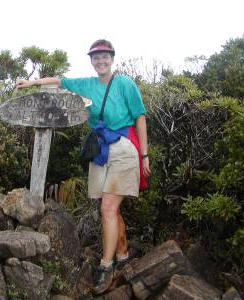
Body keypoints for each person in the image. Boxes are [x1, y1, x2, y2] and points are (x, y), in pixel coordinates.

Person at [16, 39, 151, 294]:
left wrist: (145, 155)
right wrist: (32, 83)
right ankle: (122, 254)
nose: (100, 61)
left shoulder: (124, 84)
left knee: (107, 208)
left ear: (112, 58)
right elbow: (59, 81)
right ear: (92, 60)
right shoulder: (87, 84)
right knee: (110, 208)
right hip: (100, 150)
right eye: (96, 57)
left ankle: (106, 265)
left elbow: (140, 118)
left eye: (104, 56)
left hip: (123, 148)